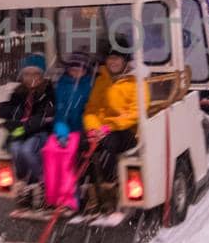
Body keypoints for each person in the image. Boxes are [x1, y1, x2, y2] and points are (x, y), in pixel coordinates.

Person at [0, 52, 56, 202]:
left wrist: (26, 126)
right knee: (15, 148)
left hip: (40, 132)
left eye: (36, 73)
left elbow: (44, 115)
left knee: (27, 150)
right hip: (21, 131)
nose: (31, 78)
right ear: (22, 76)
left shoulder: (48, 92)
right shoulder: (18, 93)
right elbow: (10, 109)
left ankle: (42, 182)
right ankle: (24, 181)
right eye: (27, 74)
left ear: (42, 75)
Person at [42, 53, 95, 211]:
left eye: (79, 69)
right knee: (50, 150)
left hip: (83, 129)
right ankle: (53, 195)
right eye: (72, 69)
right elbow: (60, 112)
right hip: (67, 130)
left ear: (86, 71)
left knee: (68, 155)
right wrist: (61, 132)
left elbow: (91, 110)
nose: (76, 72)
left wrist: (87, 130)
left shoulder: (90, 86)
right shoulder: (62, 86)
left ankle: (71, 196)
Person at [83, 42, 140, 187]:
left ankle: (110, 186)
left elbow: (135, 113)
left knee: (108, 145)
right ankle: (87, 189)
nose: (113, 62)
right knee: (81, 145)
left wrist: (108, 128)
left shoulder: (136, 83)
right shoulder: (101, 81)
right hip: (102, 130)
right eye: (110, 58)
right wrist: (93, 129)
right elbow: (91, 109)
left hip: (127, 131)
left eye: (117, 58)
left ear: (125, 60)